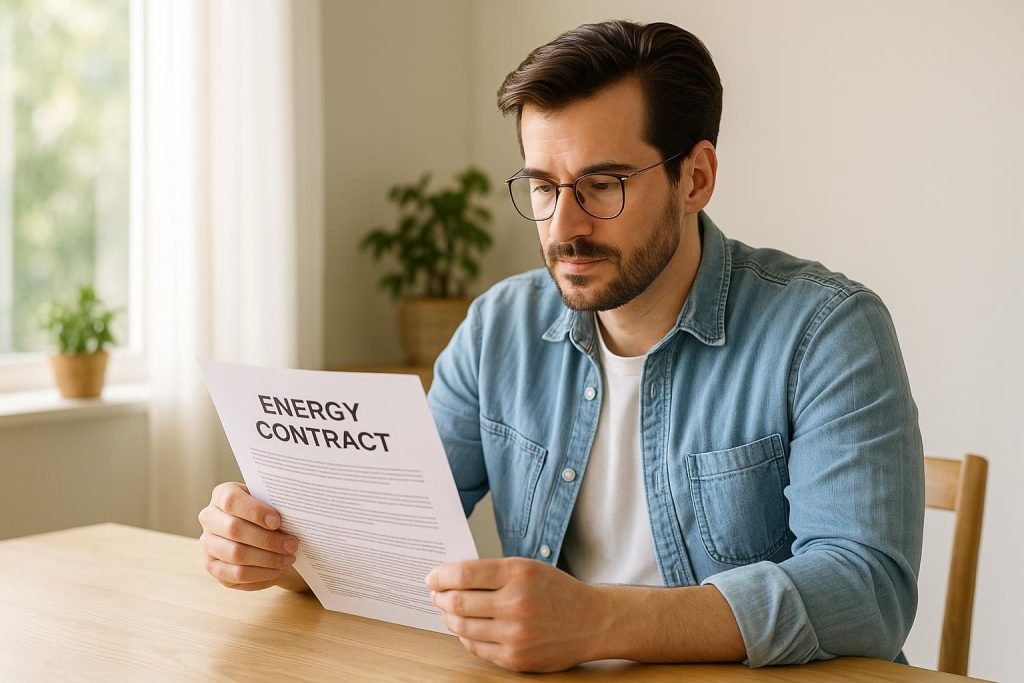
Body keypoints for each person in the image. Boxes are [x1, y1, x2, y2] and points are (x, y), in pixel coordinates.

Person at [198, 20, 924, 673]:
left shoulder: (826, 328)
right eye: (543, 187)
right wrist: (280, 549)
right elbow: (391, 529)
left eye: (602, 184)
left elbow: (867, 588)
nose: (563, 225)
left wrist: (602, 619)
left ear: (695, 177)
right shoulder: (500, 328)